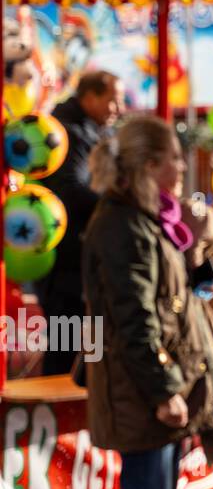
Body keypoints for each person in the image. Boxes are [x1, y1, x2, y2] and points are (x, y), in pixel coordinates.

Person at [82, 114, 213, 489]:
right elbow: (134, 319)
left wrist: (197, 261)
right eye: (173, 157)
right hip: (139, 386)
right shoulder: (123, 225)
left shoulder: (147, 217)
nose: (182, 166)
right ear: (149, 165)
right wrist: (164, 390)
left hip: (155, 379)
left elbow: (166, 289)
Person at [38, 70, 124, 375]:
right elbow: (70, 190)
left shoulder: (92, 131)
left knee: (79, 341)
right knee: (66, 342)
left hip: (80, 256)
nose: (119, 108)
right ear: (89, 98)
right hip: (67, 262)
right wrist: (115, 204)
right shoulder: (70, 133)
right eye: (113, 100)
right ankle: (57, 411)